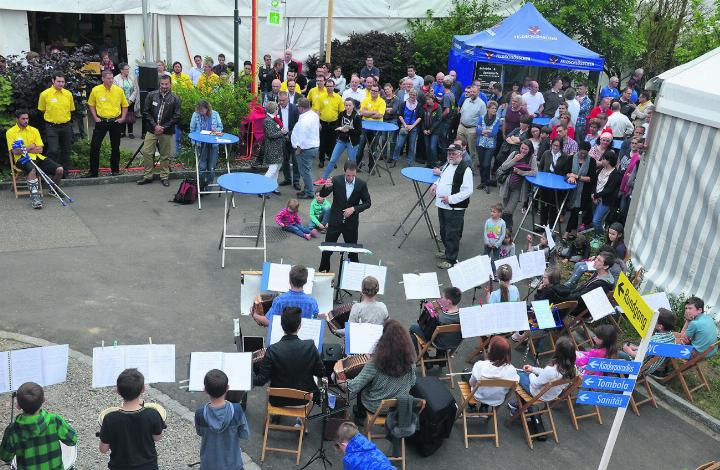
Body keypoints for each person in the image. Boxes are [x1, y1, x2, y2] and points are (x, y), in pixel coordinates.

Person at [338, 319, 416, 420]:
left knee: (363, 383)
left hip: (375, 407)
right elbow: (412, 382)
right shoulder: (410, 359)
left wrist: (339, 381)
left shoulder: (376, 362)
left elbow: (352, 387)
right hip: (399, 405)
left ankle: (360, 417)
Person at [255, 307, 326, 407]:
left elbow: (262, 380)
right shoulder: (310, 346)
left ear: (281, 325)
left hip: (278, 400)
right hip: (303, 400)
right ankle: (299, 421)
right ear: (300, 326)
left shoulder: (272, 350)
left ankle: (275, 417)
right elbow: (321, 372)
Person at [0, 382, 77, 468]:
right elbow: (72, 440)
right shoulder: (55, 420)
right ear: (43, 400)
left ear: (18, 405)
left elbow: (5, 457)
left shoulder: (12, 430)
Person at [99, 369, 165, 469]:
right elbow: (157, 438)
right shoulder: (153, 414)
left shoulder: (109, 419)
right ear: (143, 389)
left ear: (117, 390)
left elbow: (103, 449)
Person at [318, 161, 372, 272]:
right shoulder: (336, 180)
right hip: (335, 221)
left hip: (351, 223)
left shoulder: (361, 184)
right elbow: (323, 195)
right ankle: (323, 270)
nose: (351, 178)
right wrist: (326, 187)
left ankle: (354, 273)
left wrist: (354, 209)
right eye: (348, 175)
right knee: (327, 249)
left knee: (352, 250)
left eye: (353, 175)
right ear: (344, 172)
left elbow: (368, 202)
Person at [7, 110, 64, 209]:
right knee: (32, 169)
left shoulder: (34, 130)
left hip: (38, 157)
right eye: (23, 119)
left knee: (60, 169)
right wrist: (30, 147)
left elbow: (40, 149)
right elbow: (15, 152)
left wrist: (24, 148)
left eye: (27, 118)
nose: (26, 121)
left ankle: (52, 189)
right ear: (17, 119)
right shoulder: (11, 132)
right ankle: (35, 197)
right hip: (22, 159)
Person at [194, 369, 250, 470]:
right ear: (227, 388)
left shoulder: (200, 413)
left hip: (209, 465)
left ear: (205, 390)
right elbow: (244, 434)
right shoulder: (237, 410)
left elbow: (200, 433)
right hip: (233, 465)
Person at [431, 143, 473, 269]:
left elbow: (468, 191)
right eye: (449, 153)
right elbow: (442, 177)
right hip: (442, 205)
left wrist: (451, 199)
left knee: (452, 233)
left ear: (460, 154)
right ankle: (447, 252)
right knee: (443, 230)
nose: (450, 155)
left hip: (455, 208)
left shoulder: (466, 169)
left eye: (453, 153)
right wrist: (435, 184)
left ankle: (451, 259)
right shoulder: (448, 164)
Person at [509, 337, 577, 414]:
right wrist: (533, 369)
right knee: (527, 374)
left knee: (518, 374)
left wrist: (531, 374)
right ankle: (522, 406)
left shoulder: (551, 370)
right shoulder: (573, 368)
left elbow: (534, 384)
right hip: (550, 395)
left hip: (537, 393)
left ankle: (520, 406)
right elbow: (545, 374)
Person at [136, 75, 180, 187]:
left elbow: (176, 116)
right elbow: (146, 112)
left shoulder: (175, 98)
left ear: (170, 84)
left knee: (165, 155)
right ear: (159, 84)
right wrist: (155, 126)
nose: (164, 86)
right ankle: (148, 176)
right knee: (147, 152)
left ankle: (164, 177)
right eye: (162, 84)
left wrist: (163, 127)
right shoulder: (151, 95)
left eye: (166, 84)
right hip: (152, 129)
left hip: (166, 130)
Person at [86, 70, 128, 177]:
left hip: (115, 121)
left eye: (112, 78)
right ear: (103, 79)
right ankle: (93, 172)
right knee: (95, 146)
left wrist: (123, 118)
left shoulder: (118, 90)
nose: (111, 80)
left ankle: (115, 170)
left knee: (115, 146)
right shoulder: (96, 90)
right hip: (101, 121)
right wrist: (95, 117)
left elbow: (124, 105)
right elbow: (91, 104)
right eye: (108, 78)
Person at [252, 266, 319, 326]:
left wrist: (255, 315)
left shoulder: (279, 300)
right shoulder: (313, 302)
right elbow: (314, 319)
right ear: (305, 282)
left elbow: (269, 321)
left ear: (290, 280)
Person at [468, 336, 519, 410]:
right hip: (496, 400)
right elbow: (513, 387)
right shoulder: (512, 370)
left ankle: (471, 406)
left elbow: (471, 383)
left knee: (466, 373)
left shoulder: (480, 365)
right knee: (492, 388)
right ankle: (484, 406)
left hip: (479, 396)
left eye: (489, 346)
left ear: (492, 351)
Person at [319, 98, 362, 184]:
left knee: (351, 163)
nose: (348, 107)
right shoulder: (341, 114)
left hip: (352, 142)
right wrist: (340, 129)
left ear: (353, 106)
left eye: (350, 105)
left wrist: (348, 130)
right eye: (346, 105)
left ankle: (352, 180)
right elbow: (337, 125)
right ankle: (324, 179)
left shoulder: (357, 117)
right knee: (332, 159)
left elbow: (359, 132)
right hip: (341, 140)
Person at [38, 72, 75, 170]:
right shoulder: (45, 94)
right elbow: (42, 109)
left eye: (63, 81)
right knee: (53, 150)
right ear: (53, 81)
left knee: (66, 150)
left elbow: (71, 109)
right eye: (58, 81)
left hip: (66, 125)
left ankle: (64, 173)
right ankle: (52, 171)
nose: (61, 84)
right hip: (51, 126)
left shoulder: (68, 94)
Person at [621, 308, 676, 374]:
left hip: (638, 367)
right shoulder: (671, 337)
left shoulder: (654, 340)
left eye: (655, 320)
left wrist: (628, 350)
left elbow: (639, 356)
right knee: (630, 346)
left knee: (617, 353)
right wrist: (636, 348)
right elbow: (650, 350)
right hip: (650, 368)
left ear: (660, 326)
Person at [409, 286, 463, 353]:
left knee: (413, 327)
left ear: (448, 301)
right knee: (444, 334)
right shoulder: (464, 316)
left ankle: (422, 354)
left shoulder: (440, 318)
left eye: (442, 297)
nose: (441, 299)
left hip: (438, 344)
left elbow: (429, 335)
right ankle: (441, 355)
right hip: (455, 344)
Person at [498, 139, 538, 227]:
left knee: (508, 211)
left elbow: (535, 172)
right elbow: (504, 167)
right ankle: (507, 230)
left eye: (526, 149)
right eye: (522, 148)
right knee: (507, 212)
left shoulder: (532, 158)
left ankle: (504, 229)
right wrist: (514, 160)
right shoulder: (514, 154)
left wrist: (520, 172)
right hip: (507, 185)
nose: (523, 151)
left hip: (518, 188)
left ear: (530, 150)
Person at [189, 100, 223, 191]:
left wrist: (216, 130)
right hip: (200, 144)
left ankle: (209, 186)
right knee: (202, 166)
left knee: (211, 166)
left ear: (207, 108)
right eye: (199, 110)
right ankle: (201, 186)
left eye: (202, 110)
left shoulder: (215, 114)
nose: (200, 112)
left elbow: (220, 127)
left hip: (213, 144)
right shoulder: (195, 115)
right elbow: (192, 130)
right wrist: (194, 142)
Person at [291, 98, 321, 200]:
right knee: (306, 170)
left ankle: (309, 192)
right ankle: (307, 189)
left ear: (301, 108)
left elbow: (302, 136)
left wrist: (298, 149)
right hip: (312, 146)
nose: (297, 108)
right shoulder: (313, 114)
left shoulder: (305, 119)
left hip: (305, 149)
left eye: (298, 106)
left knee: (305, 171)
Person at [537, 137, 571, 227]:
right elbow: (540, 166)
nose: (555, 147)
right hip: (544, 184)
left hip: (556, 185)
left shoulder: (564, 157)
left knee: (553, 206)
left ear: (561, 147)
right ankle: (542, 226)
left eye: (558, 146)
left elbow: (565, 171)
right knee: (544, 205)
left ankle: (551, 227)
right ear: (551, 145)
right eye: (554, 145)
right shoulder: (546, 153)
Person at [565, 141, 597, 233]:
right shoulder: (571, 158)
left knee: (578, 211)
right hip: (571, 189)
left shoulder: (592, 161)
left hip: (584, 191)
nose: (582, 155)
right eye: (581, 152)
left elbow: (591, 178)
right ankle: (571, 231)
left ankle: (568, 232)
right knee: (573, 211)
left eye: (585, 153)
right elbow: (566, 172)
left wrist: (578, 177)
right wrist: (570, 175)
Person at [314, 77, 344, 169]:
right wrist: (318, 123)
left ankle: (332, 161)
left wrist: (340, 125)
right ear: (325, 86)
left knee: (333, 144)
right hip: (323, 123)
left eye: (331, 86)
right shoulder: (321, 97)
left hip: (334, 124)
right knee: (322, 143)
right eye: (328, 86)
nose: (329, 88)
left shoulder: (338, 98)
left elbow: (341, 112)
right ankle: (321, 160)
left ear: (334, 86)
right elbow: (317, 111)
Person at [356, 85, 386, 171]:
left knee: (372, 149)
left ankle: (371, 168)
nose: (373, 92)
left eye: (375, 91)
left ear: (379, 92)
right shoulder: (365, 99)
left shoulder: (382, 102)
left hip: (376, 128)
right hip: (364, 127)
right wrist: (373, 112)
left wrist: (367, 113)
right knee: (360, 148)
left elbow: (379, 115)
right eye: (372, 90)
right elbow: (362, 113)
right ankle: (357, 166)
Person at [391, 88, 423, 166]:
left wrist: (412, 126)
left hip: (414, 127)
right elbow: (400, 115)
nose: (412, 96)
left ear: (416, 96)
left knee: (411, 146)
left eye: (414, 95)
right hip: (404, 126)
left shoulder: (418, 105)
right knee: (399, 144)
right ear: (409, 94)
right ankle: (394, 159)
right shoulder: (403, 104)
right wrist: (405, 125)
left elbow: (420, 117)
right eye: (411, 94)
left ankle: (409, 162)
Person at [591, 150, 621, 233]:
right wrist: (594, 194)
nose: (601, 160)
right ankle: (597, 234)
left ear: (609, 161)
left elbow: (609, 190)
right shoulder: (601, 170)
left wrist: (596, 195)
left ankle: (600, 236)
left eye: (603, 159)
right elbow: (595, 182)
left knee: (596, 220)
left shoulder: (615, 174)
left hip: (605, 201)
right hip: (596, 197)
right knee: (596, 219)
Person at [456, 84, 486, 167]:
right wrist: (459, 125)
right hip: (461, 127)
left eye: (474, 92)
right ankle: (459, 165)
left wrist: (479, 131)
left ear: (478, 92)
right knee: (459, 147)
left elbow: (483, 120)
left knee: (472, 151)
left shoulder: (482, 104)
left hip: (472, 129)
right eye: (471, 91)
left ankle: (472, 169)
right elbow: (462, 114)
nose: (472, 93)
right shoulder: (466, 100)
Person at [277, 91, 301, 190]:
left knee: (295, 161)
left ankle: (296, 181)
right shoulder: (277, 109)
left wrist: (289, 134)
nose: (281, 102)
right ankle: (287, 178)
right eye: (280, 100)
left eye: (283, 100)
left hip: (293, 138)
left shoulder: (294, 109)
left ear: (288, 99)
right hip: (282, 139)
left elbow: (298, 124)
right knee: (284, 160)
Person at [476, 100, 501, 192]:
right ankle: (483, 182)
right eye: (493, 108)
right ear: (488, 109)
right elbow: (477, 130)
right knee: (482, 164)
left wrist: (483, 131)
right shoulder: (481, 118)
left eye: (495, 108)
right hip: (480, 144)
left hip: (490, 146)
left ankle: (487, 183)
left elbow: (494, 133)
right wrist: (484, 132)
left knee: (487, 164)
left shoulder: (497, 120)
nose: (495, 110)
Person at [261, 101, 286, 193]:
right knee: (272, 170)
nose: (278, 109)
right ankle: (261, 188)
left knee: (277, 169)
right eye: (277, 108)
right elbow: (271, 135)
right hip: (272, 149)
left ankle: (273, 187)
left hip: (277, 148)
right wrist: (281, 132)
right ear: (274, 109)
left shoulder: (273, 119)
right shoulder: (268, 120)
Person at [112, 64, 139, 140]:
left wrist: (130, 100)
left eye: (128, 69)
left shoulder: (132, 77)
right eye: (126, 69)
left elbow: (135, 89)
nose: (128, 70)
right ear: (121, 70)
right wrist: (123, 101)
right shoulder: (116, 79)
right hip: (121, 101)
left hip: (130, 101)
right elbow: (116, 91)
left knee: (130, 116)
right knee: (122, 116)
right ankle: (122, 132)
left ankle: (131, 132)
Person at [422, 93, 442, 168]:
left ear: (432, 99)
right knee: (427, 147)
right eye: (426, 99)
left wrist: (431, 130)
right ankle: (429, 163)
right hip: (426, 130)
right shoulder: (424, 107)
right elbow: (422, 119)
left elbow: (439, 120)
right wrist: (424, 129)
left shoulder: (438, 107)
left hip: (435, 131)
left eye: (429, 99)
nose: (427, 101)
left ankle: (434, 164)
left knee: (432, 147)